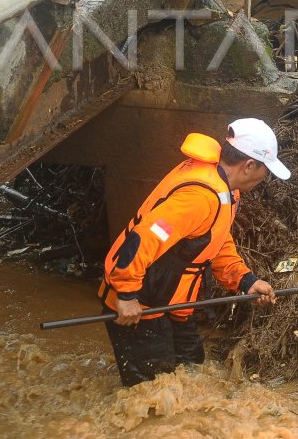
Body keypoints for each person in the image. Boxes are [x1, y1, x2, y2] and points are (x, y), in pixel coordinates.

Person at [100, 119, 287, 385]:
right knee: (153, 392)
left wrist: (245, 281)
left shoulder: (226, 192)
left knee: (192, 372)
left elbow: (216, 240)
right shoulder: (199, 196)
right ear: (248, 165)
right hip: (139, 305)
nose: (264, 178)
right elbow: (143, 239)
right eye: (265, 170)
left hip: (173, 303)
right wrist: (127, 295)